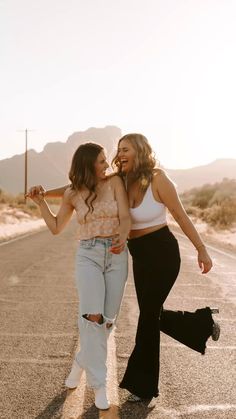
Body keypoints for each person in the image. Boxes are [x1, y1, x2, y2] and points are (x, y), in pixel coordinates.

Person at [30, 134, 220, 403]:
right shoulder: (118, 178)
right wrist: (44, 194)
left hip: (162, 251)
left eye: (125, 149)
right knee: (151, 314)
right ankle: (201, 323)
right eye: (118, 150)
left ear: (141, 151)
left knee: (148, 317)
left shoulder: (158, 178)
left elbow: (180, 214)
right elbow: (78, 185)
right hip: (139, 254)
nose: (119, 155)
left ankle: (143, 388)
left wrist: (201, 248)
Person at [27, 142, 131, 410]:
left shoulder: (116, 182)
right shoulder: (72, 194)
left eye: (105, 160)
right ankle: (98, 385)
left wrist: (122, 234)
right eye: (100, 161)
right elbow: (56, 227)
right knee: (91, 316)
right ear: (87, 165)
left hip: (118, 256)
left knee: (106, 322)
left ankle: (80, 363)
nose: (106, 165)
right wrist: (41, 202)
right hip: (89, 254)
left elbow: (125, 214)